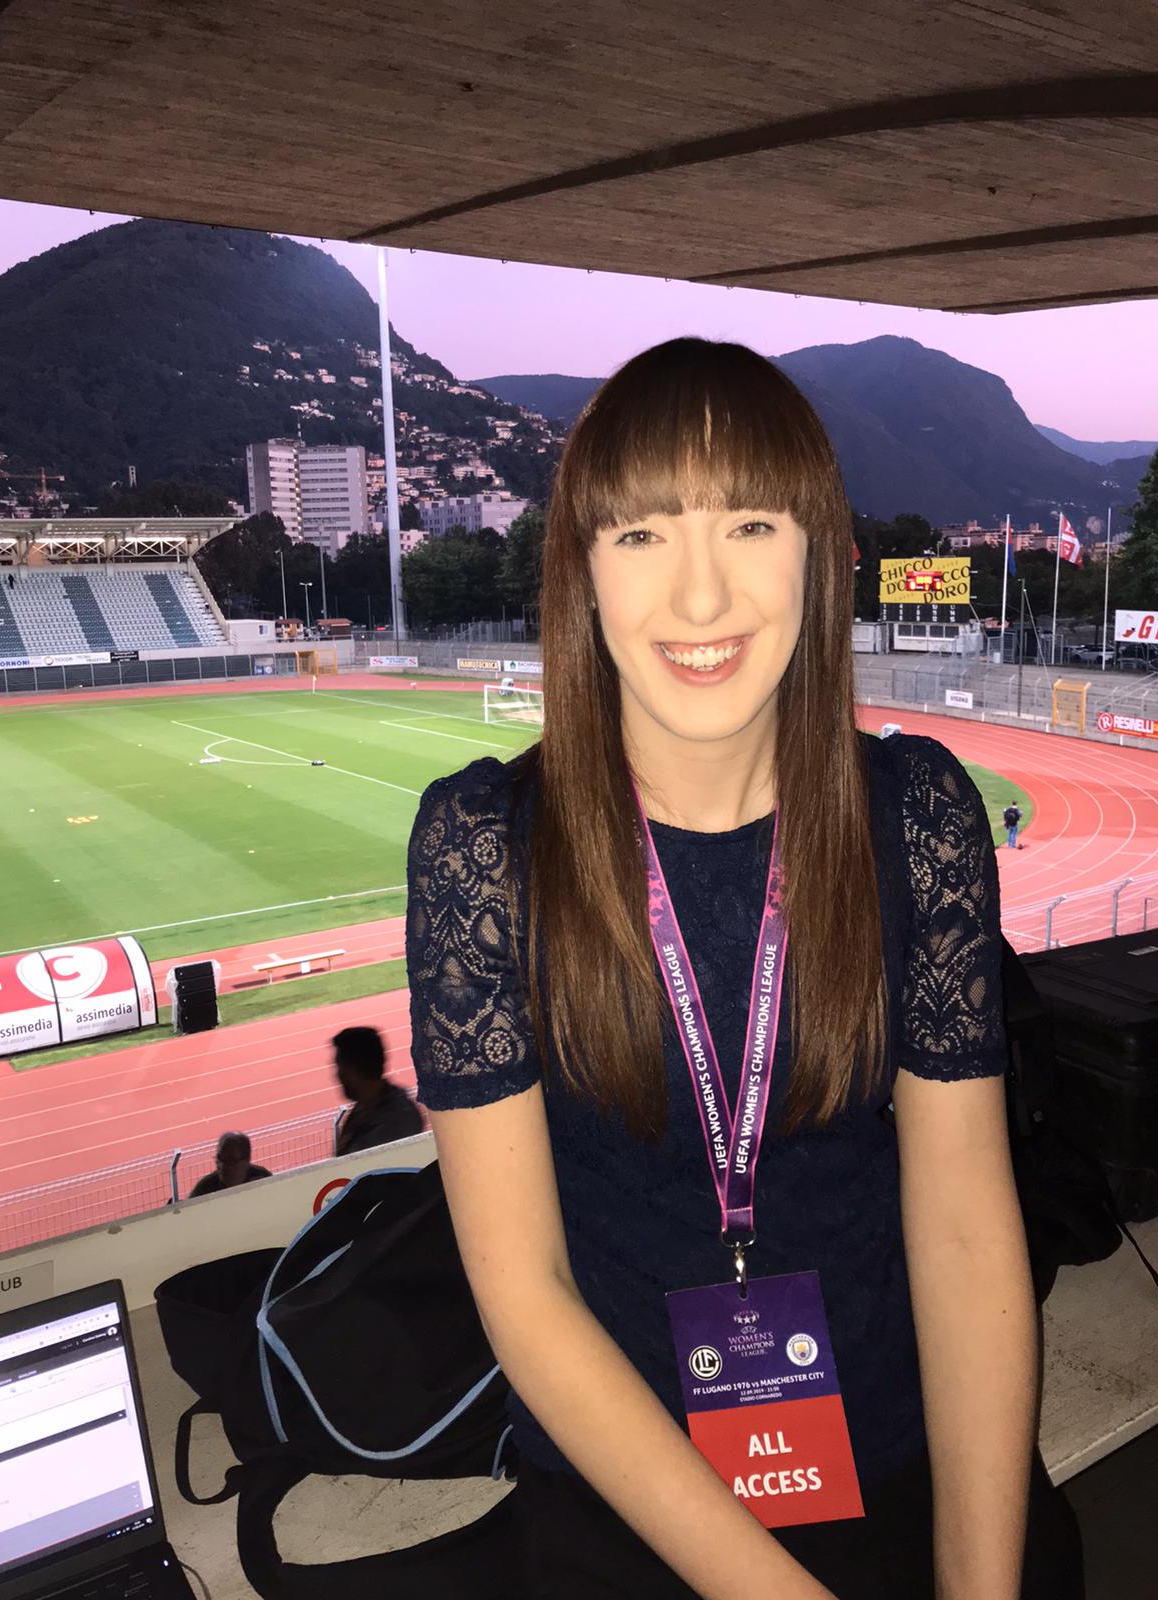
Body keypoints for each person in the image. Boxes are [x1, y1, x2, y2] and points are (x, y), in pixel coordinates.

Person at [406, 339, 1082, 1600]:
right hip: (632, 1500)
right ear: (583, 573)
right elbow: (528, 1293)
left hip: (898, 1457)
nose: (702, 599)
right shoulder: (481, 851)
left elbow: (963, 1222)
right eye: (644, 535)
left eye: (752, 524)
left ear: (818, 553)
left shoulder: (920, 817)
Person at [332, 1025, 423, 1155]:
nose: (337, 1075)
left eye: (341, 1069)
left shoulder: (396, 1120)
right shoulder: (364, 1108)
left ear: (356, 1070)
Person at [189, 1131, 271, 1197]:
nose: (222, 1165)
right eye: (219, 1158)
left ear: (246, 1160)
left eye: (230, 1160)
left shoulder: (262, 1179)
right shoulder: (204, 1188)